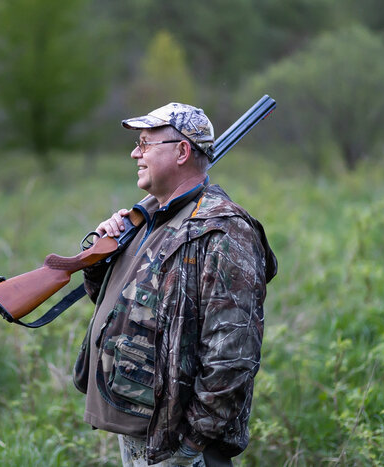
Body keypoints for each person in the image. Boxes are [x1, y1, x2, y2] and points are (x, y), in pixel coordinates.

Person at [72, 103, 277, 466]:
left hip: (181, 444)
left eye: (146, 143)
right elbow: (128, 309)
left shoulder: (225, 230)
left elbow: (232, 356)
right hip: (140, 429)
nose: (135, 153)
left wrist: (191, 446)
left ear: (182, 151)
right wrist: (101, 258)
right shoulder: (153, 217)